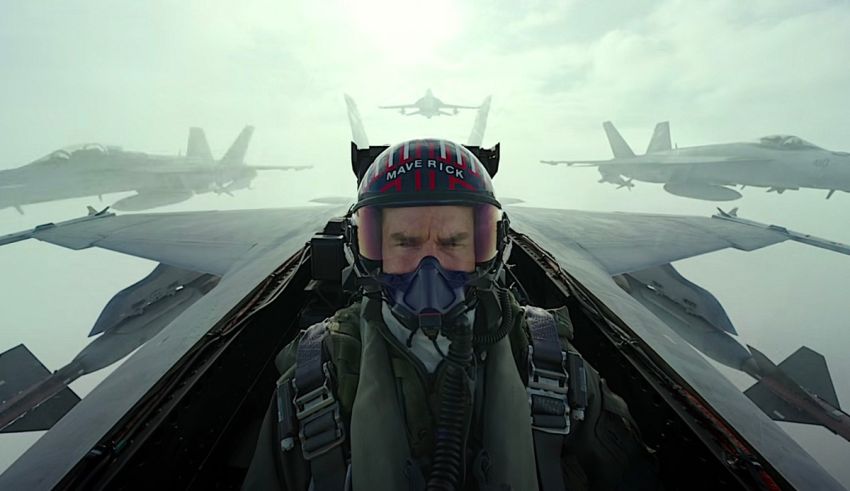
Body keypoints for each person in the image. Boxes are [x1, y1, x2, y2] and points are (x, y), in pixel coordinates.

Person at [243, 139, 658, 490]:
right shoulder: (315, 375)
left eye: (453, 240)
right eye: (404, 241)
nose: (430, 267)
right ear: (368, 249)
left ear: (489, 248)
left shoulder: (555, 366)